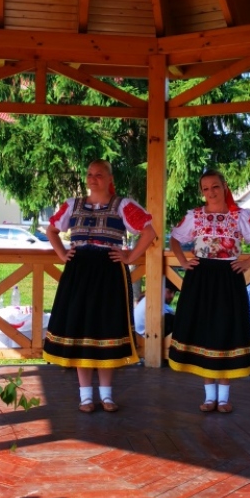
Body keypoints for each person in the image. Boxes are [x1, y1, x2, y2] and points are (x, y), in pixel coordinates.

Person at [43, 159, 157, 413]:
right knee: (82, 330)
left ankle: (106, 396)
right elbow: (51, 230)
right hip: (79, 272)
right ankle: (85, 397)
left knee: (105, 330)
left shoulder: (123, 205)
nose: (93, 178)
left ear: (109, 178)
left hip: (108, 272)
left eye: (99, 174)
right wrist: (62, 254)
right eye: (90, 174)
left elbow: (149, 233)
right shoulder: (73, 205)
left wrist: (129, 257)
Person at [168, 169, 250, 414]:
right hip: (200, 279)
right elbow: (175, 238)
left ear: (224, 187)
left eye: (215, 187)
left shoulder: (239, 215)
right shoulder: (195, 215)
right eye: (205, 188)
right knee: (204, 333)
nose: (210, 192)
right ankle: (209, 397)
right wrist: (182, 261)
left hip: (228, 278)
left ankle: (224, 398)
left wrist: (249, 261)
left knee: (225, 332)